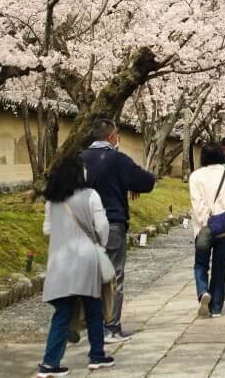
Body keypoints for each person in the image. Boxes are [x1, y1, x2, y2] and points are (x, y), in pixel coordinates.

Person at [37, 155, 114, 377]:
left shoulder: (51, 201)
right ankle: (97, 355)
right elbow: (102, 226)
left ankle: (50, 363)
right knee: (93, 307)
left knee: (62, 311)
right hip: (86, 257)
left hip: (59, 258)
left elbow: (47, 230)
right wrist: (101, 244)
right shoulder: (91, 195)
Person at [81, 119, 155, 344]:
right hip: (111, 222)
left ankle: (88, 324)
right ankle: (110, 327)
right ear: (113, 137)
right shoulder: (117, 159)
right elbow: (147, 182)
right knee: (113, 277)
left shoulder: (79, 159)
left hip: (83, 225)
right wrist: (126, 183)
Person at [189, 141, 225, 317]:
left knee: (201, 264)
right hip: (224, 228)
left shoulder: (195, 176)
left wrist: (207, 221)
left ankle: (203, 291)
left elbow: (197, 203)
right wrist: (224, 217)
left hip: (203, 228)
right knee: (220, 266)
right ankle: (216, 307)